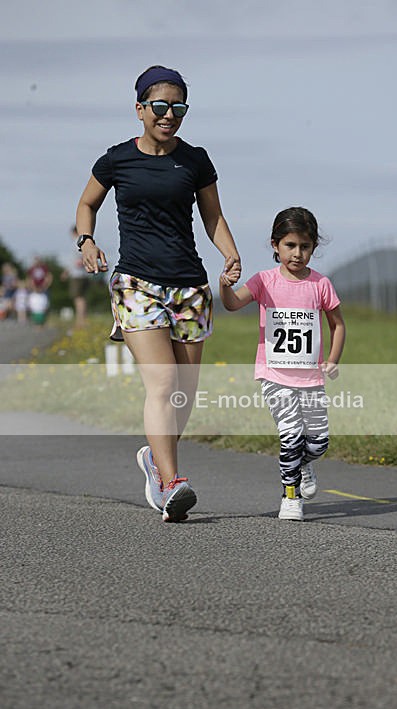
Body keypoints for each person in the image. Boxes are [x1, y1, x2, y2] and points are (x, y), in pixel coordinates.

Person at [76, 65, 241, 523]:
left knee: (183, 395)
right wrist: (86, 241)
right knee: (163, 383)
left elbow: (213, 216)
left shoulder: (195, 160)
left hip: (190, 285)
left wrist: (230, 253)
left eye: (178, 108)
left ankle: (154, 458)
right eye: (160, 106)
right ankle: (171, 483)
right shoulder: (116, 160)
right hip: (136, 284)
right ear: (140, 109)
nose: (169, 115)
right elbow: (87, 203)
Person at [219, 207, 345, 520]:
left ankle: (303, 465)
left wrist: (332, 359)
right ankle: (290, 497)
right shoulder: (264, 281)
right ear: (275, 244)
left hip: (311, 378)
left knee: (318, 442)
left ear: (314, 247)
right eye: (290, 245)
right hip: (274, 375)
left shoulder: (320, 284)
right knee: (291, 436)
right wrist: (224, 285)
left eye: (305, 246)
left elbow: (338, 325)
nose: (297, 253)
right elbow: (232, 304)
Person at [61, 226, 91, 327]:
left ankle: (80, 319)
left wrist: (66, 272)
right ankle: (83, 319)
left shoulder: (77, 243)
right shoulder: (85, 242)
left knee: (78, 298)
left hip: (77, 275)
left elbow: (76, 260)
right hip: (84, 274)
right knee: (82, 297)